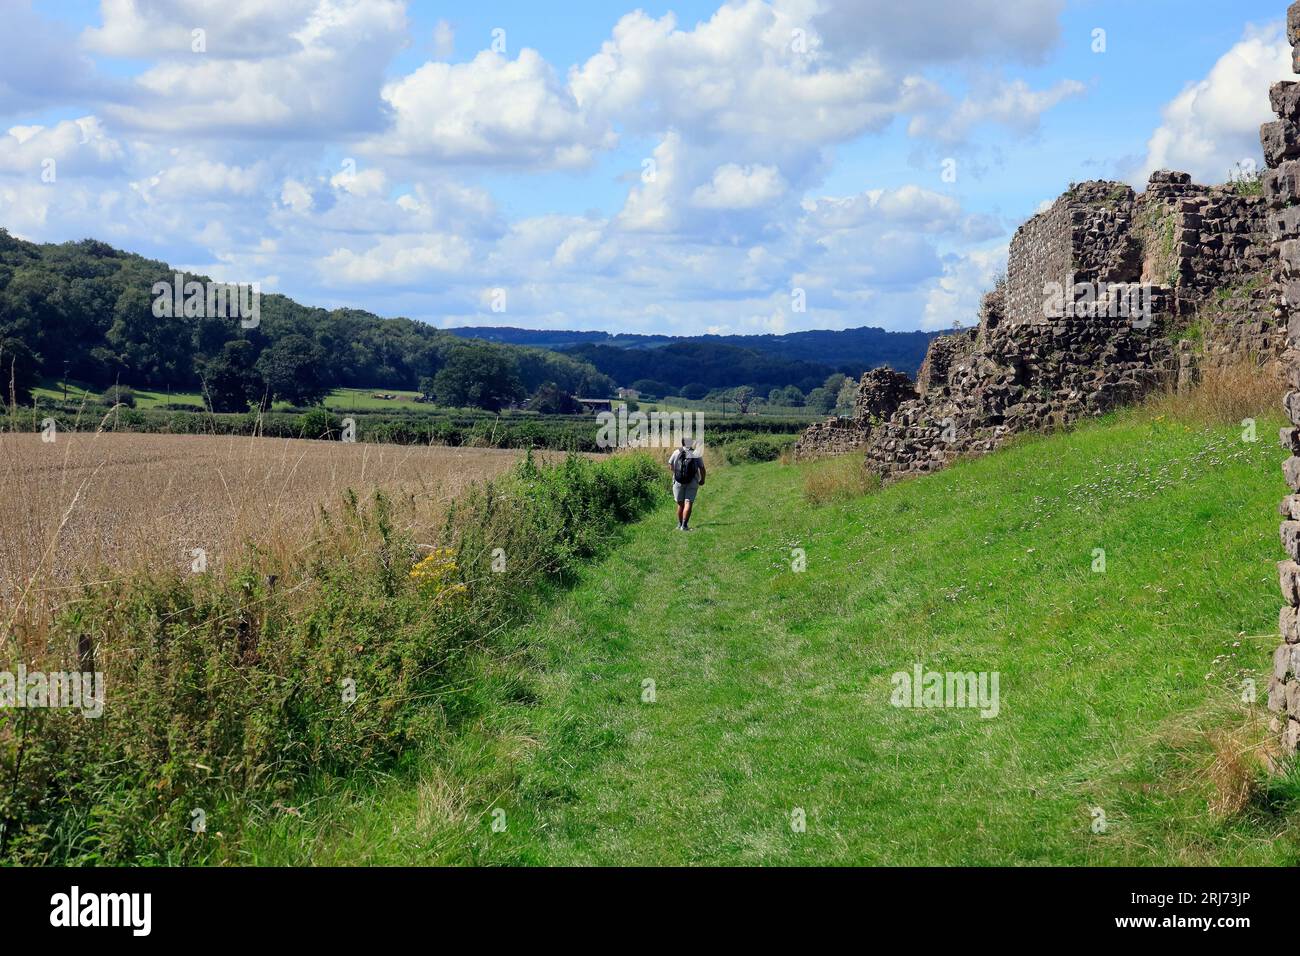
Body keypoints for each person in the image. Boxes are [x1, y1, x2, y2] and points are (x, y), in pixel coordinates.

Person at [668, 439, 705, 531]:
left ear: (682, 443)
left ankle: (679, 524)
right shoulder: (696, 453)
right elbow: (702, 468)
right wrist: (702, 479)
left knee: (680, 504)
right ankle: (684, 526)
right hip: (692, 481)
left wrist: (677, 473)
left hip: (678, 481)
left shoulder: (676, 452)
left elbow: (670, 466)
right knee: (688, 502)